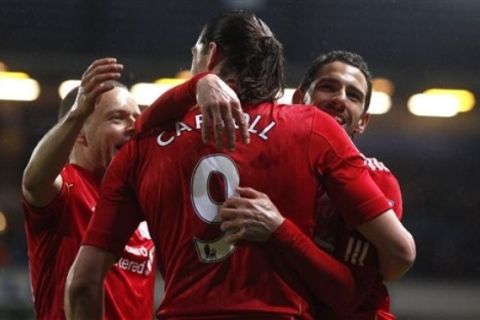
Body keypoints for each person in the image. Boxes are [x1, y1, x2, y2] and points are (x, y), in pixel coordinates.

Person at [65, 11, 414, 319]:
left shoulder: (142, 148)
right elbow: (395, 257)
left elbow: (82, 284)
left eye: (194, 58)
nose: (338, 101)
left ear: (211, 54)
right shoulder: (313, 128)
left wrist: (195, 85)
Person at [218, 50, 408, 319]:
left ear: (363, 122)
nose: (339, 99)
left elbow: (346, 296)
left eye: (353, 96)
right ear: (298, 99)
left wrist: (279, 229)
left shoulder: (375, 181)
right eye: (328, 87)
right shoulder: (272, 162)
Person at [21, 58, 155, 320]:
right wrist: (78, 112)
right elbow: (34, 182)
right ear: (79, 133)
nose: (134, 127)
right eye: (117, 118)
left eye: (137, 119)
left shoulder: (138, 201)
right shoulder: (67, 187)